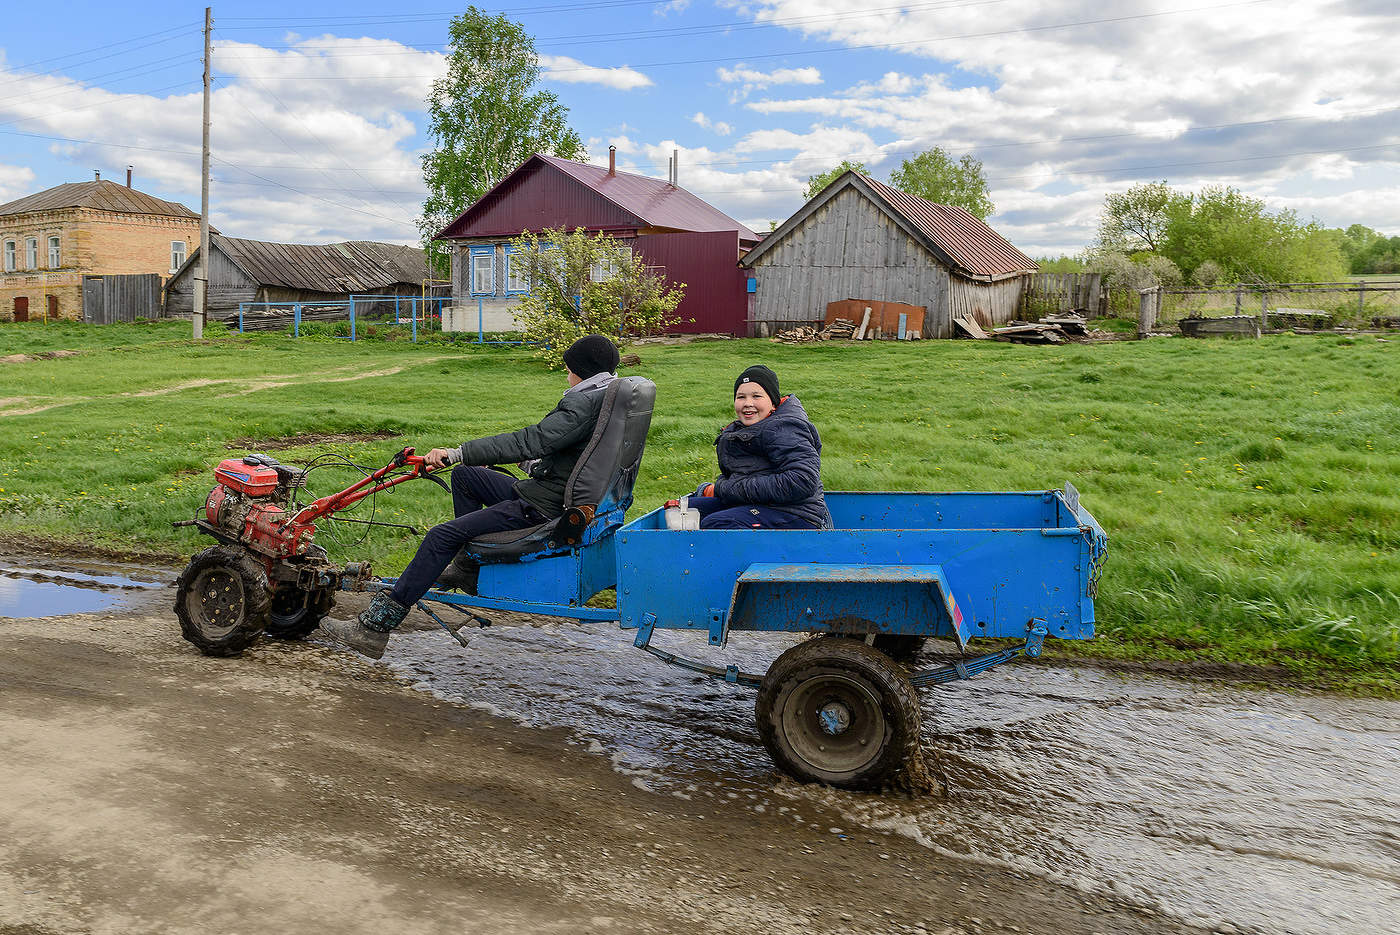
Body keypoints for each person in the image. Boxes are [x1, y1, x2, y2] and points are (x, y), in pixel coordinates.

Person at [320, 334, 621, 658]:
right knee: (466, 477)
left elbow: (531, 441)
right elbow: (561, 456)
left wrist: (458, 452)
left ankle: (373, 628)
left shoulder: (582, 405)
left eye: (568, 370)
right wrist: (480, 460)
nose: (567, 376)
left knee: (439, 537)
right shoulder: (611, 398)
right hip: (555, 492)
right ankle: (467, 568)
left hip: (542, 507)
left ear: (582, 370)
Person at [685, 364, 831, 530]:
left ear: (773, 403)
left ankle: (750, 557)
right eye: (741, 397)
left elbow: (802, 481)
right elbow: (743, 475)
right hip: (759, 505)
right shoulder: (744, 429)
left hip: (796, 513)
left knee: (720, 524)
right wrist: (720, 489)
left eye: (756, 396)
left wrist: (724, 489)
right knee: (684, 511)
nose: (748, 403)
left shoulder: (785, 428)